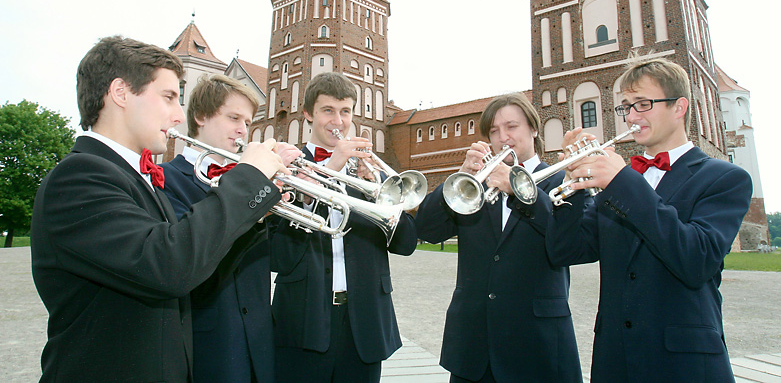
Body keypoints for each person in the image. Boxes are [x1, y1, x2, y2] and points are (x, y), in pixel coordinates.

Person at [31, 36, 288, 382]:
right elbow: (170, 265)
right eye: (169, 97)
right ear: (120, 93)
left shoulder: (133, 177)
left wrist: (253, 214)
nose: (179, 114)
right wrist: (249, 179)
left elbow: (196, 274)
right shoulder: (80, 175)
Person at [546, 56, 753, 383]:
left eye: (643, 104)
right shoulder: (620, 182)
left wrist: (622, 181)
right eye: (626, 106)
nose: (631, 116)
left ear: (679, 107)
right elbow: (566, 251)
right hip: (617, 360)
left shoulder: (725, 178)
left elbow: (696, 260)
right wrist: (575, 183)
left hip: (684, 364)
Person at [415, 92, 582, 383]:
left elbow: (570, 244)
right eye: (493, 131)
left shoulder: (561, 180)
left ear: (533, 128)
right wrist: (461, 174)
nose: (502, 137)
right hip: (474, 348)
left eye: (511, 127)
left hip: (537, 346)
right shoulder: (476, 184)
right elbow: (426, 230)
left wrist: (521, 192)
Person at [270, 72, 417, 383]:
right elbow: (278, 256)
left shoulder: (368, 171)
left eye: (345, 111)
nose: (338, 120)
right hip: (303, 322)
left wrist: (380, 191)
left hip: (364, 324)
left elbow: (406, 243)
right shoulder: (283, 166)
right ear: (308, 114)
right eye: (328, 110)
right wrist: (330, 170)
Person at [160, 74, 302, 383]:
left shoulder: (253, 184)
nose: (242, 129)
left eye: (247, 121)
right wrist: (251, 203)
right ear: (201, 116)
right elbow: (191, 265)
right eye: (233, 117)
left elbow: (282, 261)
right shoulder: (166, 179)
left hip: (259, 345)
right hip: (208, 344)